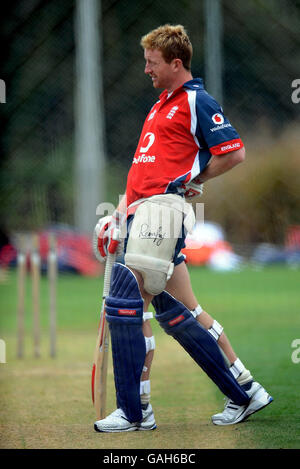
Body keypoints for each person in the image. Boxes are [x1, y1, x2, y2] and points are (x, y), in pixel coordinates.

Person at [93, 24, 273, 432]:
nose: (146, 69)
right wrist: (118, 215)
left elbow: (235, 152)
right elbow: (138, 170)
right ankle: (245, 390)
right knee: (183, 310)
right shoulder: (158, 106)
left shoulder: (196, 100)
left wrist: (193, 180)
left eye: (152, 62)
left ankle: (135, 411)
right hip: (142, 212)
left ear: (176, 63)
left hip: (161, 212)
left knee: (127, 299)